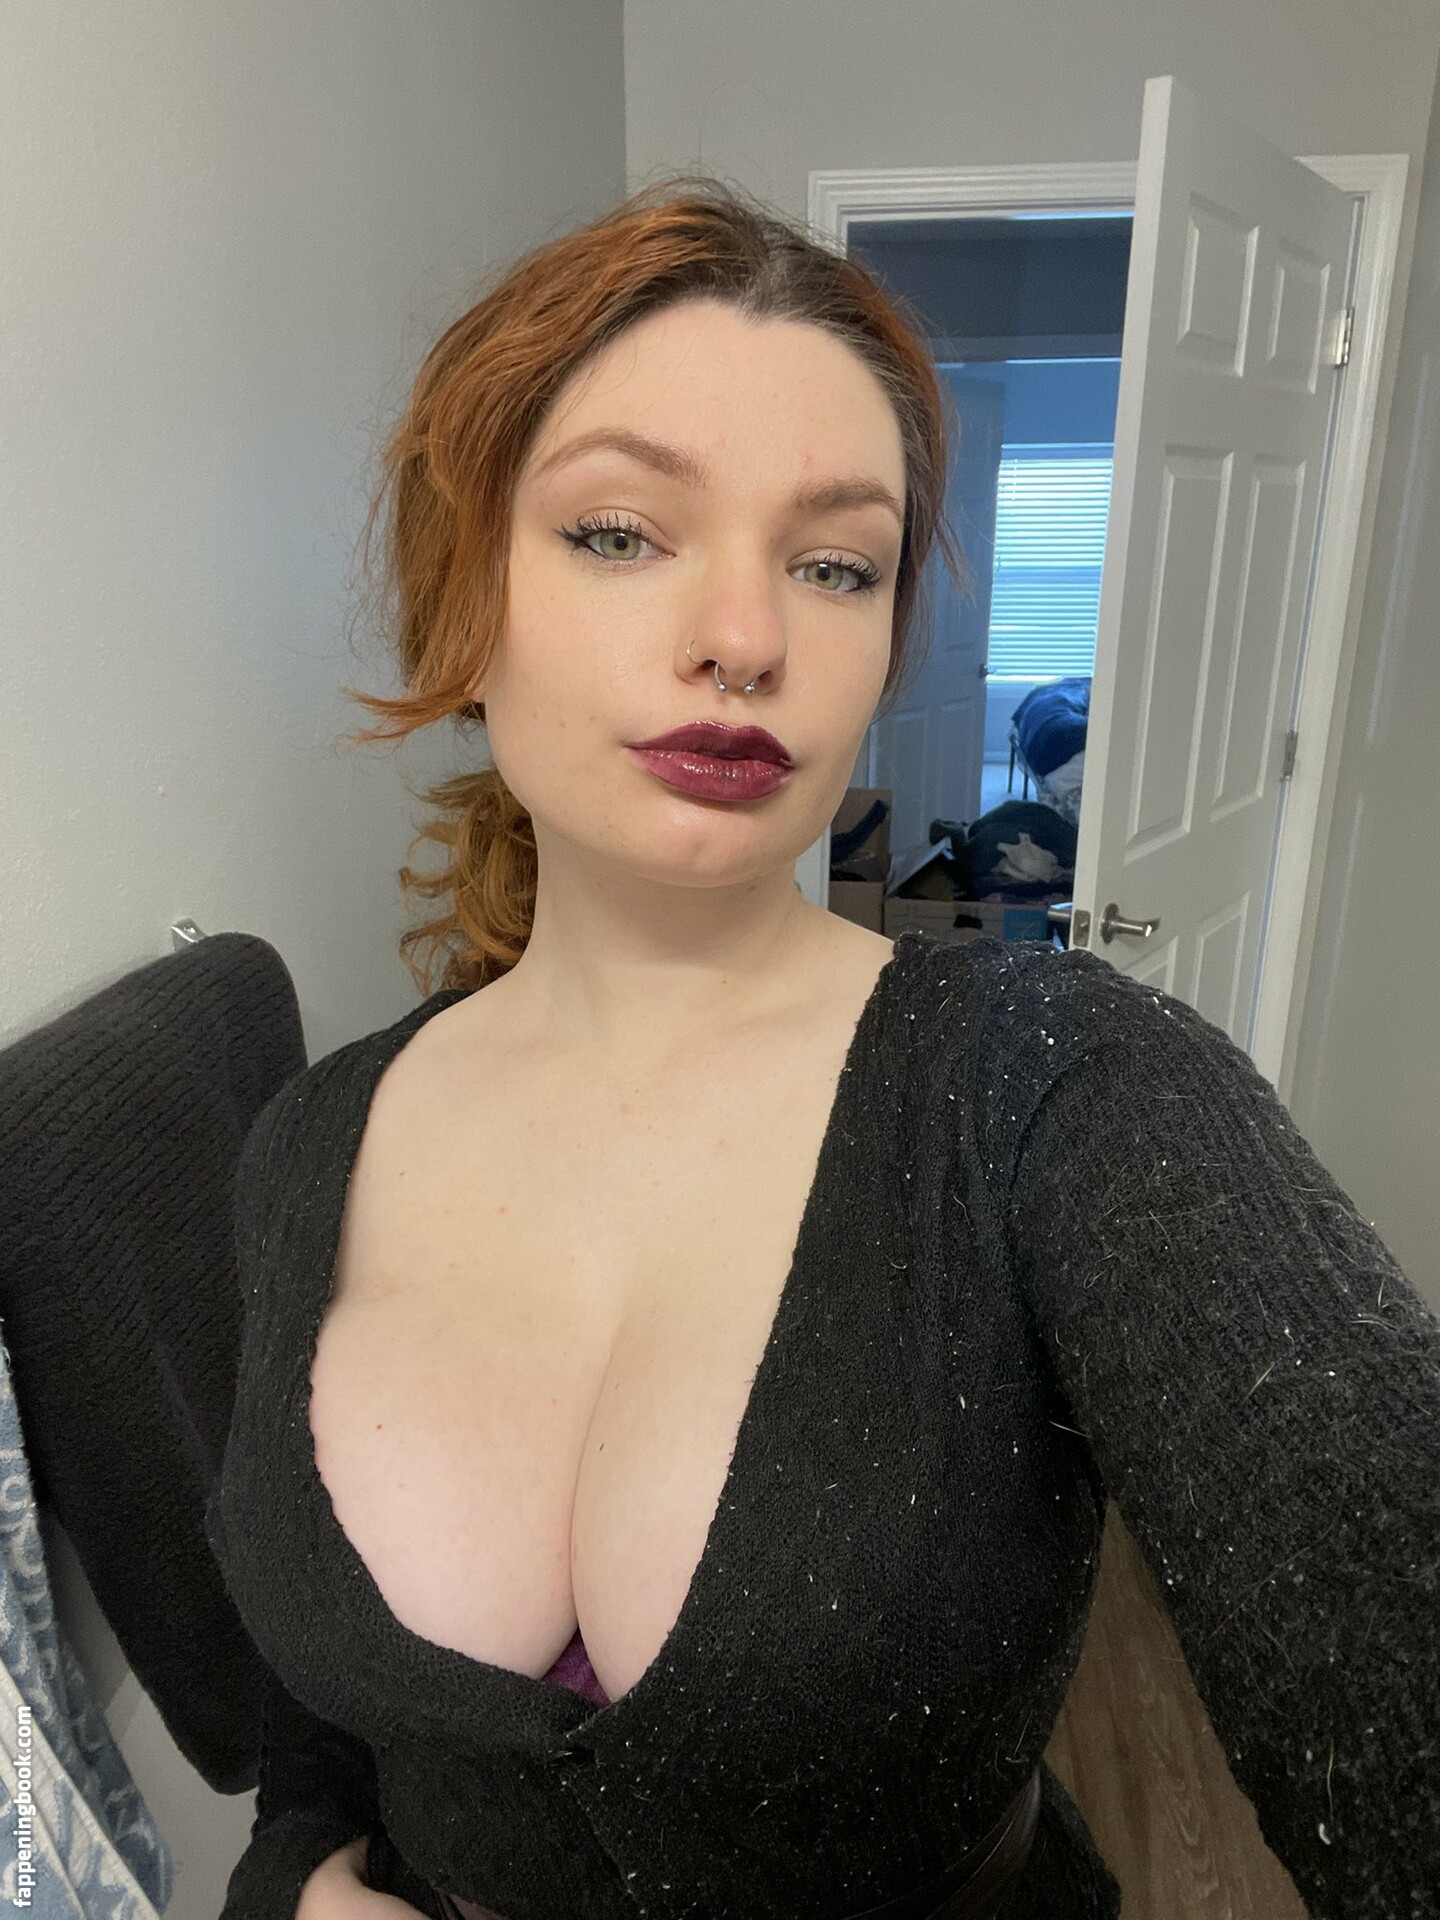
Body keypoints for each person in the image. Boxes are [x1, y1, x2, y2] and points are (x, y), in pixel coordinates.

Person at [207, 175, 1440, 1920]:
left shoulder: (1059, 1089)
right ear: (461, 590)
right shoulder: (310, 1146)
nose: (748, 636)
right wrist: (290, 1887)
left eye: (835, 564)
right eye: (620, 532)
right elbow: (319, 1722)